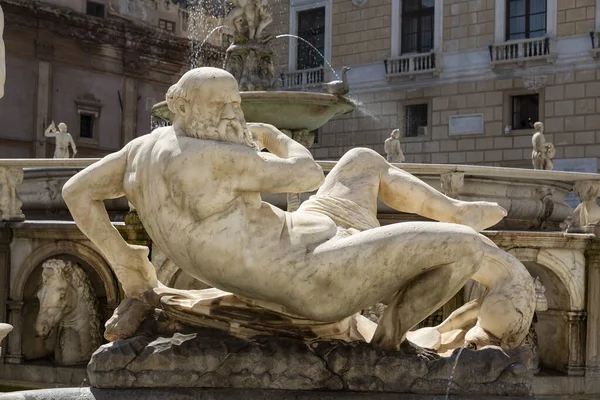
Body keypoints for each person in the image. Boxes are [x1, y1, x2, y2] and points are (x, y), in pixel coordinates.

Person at [63, 68, 523, 354]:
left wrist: (125, 259)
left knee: (362, 161)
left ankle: (454, 209)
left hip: (312, 238)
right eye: (220, 105)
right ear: (186, 109)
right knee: (464, 250)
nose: (232, 114)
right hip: (317, 278)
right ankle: (385, 348)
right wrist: (270, 134)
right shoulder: (218, 158)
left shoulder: (141, 151)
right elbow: (305, 174)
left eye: (236, 104)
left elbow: (75, 191)